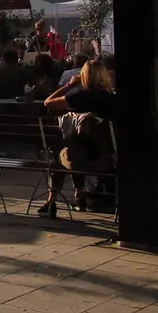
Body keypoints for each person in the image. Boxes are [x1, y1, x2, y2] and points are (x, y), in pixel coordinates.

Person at [38, 56, 118, 217]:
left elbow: (48, 103)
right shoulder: (110, 99)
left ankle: (52, 201)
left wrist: (69, 85)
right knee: (79, 146)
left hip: (73, 160)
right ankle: (80, 195)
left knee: (62, 154)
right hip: (104, 160)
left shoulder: (76, 95)